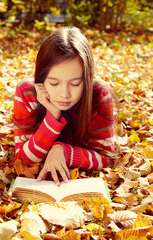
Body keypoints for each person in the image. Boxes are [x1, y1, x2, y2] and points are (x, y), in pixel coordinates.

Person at [13, 26, 117, 186]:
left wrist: (62, 151)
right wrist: (52, 117)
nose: (65, 94)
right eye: (54, 83)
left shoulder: (98, 94)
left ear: (87, 80)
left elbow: (107, 156)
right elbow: (24, 159)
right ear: (41, 79)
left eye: (75, 83)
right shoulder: (27, 92)